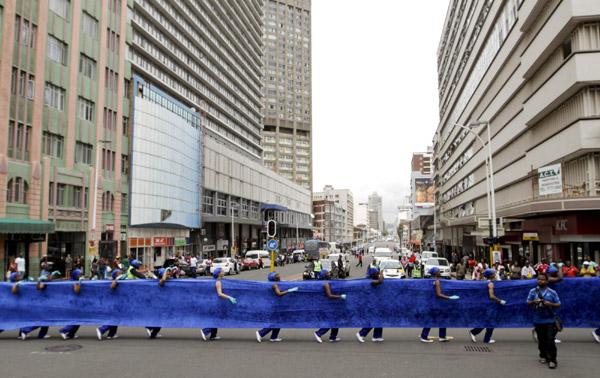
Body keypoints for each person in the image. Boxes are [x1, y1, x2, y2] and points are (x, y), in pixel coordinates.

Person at [527, 273, 561, 369]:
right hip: (538, 319)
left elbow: (558, 304)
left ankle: (552, 359)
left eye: (542, 279)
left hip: (550, 319)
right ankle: (543, 355)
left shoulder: (552, 292)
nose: (540, 281)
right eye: (538, 279)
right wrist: (534, 302)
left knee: (550, 340)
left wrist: (550, 304)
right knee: (541, 340)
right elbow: (528, 303)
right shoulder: (533, 291)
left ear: (546, 281)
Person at [256, 271, 298, 342]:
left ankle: (274, 337)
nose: (279, 275)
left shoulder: (277, 282)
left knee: (279, 321)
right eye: (277, 275)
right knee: (275, 321)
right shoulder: (274, 285)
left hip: (278, 304)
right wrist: (289, 290)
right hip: (274, 306)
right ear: (274, 277)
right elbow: (279, 294)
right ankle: (261, 333)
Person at [420, 267, 459, 343]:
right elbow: (438, 294)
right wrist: (450, 297)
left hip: (432, 303)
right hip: (436, 304)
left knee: (438, 319)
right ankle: (425, 336)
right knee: (438, 319)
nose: (439, 271)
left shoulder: (431, 280)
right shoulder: (437, 281)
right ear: (435, 273)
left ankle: (440, 336)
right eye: (438, 271)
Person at [469, 269, 506, 344]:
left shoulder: (485, 282)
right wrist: (500, 301)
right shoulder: (490, 284)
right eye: (493, 273)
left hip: (485, 305)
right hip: (489, 306)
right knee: (490, 322)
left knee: (487, 321)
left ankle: (479, 334)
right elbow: (491, 296)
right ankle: (480, 335)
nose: (495, 274)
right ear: (490, 275)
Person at [20, 266, 56, 340]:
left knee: (47, 320)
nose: (48, 277)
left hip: (47, 304)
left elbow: (48, 278)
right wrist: (39, 281)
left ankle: (42, 334)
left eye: (48, 276)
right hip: (43, 305)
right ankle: (25, 330)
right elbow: (38, 287)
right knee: (43, 321)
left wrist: (52, 274)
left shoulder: (48, 281)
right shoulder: (44, 283)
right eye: (46, 276)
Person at [202, 267, 236, 341]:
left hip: (217, 302)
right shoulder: (218, 282)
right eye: (222, 271)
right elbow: (220, 294)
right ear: (219, 274)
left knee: (217, 317)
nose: (223, 272)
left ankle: (213, 335)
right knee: (218, 318)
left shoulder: (219, 280)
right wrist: (230, 297)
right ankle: (205, 331)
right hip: (216, 303)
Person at [314, 270, 346, 343]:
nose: (329, 274)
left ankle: (333, 337)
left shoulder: (329, 281)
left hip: (332, 304)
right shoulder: (326, 284)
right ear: (324, 276)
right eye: (327, 273)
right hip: (328, 305)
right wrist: (340, 296)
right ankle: (319, 333)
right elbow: (330, 295)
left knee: (336, 321)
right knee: (332, 321)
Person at [96, 269, 127, 340]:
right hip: (113, 303)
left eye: (121, 273)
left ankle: (111, 334)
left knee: (116, 318)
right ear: (115, 275)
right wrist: (116, 279)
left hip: (118, 302)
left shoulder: (120, 281)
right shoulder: (114, 281)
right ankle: (102, 329)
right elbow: (112, 287)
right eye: (119, 274)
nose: (121, 275)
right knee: (114, 318)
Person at [356, 267, 384, 343]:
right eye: (376, 273)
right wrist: (381, 273)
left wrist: (380, 273)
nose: (378, 274)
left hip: (375, 303)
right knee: (374, 320)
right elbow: (380, 281)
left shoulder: (373, 280)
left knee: (379, 320)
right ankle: (361, 333)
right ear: (372, 274)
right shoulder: (371, 282)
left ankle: (376, 336)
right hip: (371, 304)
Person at [146, 268, 172, 339]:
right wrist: (165, 271)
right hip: (158, 303)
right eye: (167, 274)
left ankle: (153, 333)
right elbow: (163, 280)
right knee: (160, 319)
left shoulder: (170, 281)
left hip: (164, 303)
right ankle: (149, 327)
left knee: (161, 319)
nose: (169, 275)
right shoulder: (160, 281)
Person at [59, 269, 85, 340]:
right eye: (79, 275)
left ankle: (71, 334)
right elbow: (76, 290)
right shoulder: (73, 282)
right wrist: (80, 282)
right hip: (73, 303)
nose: (80, 276)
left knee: (79, 320)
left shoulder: (76, 281)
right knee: (76, 319)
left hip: (78, 302)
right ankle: (64, 330)